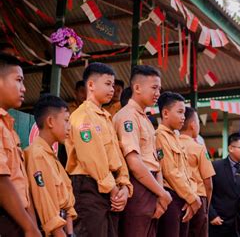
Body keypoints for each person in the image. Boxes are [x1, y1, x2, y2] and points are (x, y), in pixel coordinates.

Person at [65, 62, 132, 237]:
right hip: (89, 186)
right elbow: (92, 158)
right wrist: (113, 189)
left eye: (113, 84)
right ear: (91, 85)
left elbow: (118, 155)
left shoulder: (106, 118)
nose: (112, 89)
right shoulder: (81, 116)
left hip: (110, 188)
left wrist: (124, 185)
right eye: (108, 84)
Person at [112, 65, 172, 237]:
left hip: (152, 186)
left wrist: (161, 194)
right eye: (154, 88)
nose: (158, 93)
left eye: (159, 89)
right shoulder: (127, 116)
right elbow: (134, 163)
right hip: (138, 187)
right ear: (137, 88)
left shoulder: (146, 119)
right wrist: (162, 192)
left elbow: (156, 162)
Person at [0, 55, 41, 237]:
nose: (24, 88)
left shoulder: (10, 128)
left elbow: (21, 184)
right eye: (18, 80)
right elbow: (1, 180)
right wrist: (30, 227)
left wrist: (31, 224)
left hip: (18, 218)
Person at [25, 94, 77, 236]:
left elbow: (68, 205)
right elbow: (46, 207)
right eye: (66, 120)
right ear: (50, 121)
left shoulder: (52, 158)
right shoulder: (37, 155)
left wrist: (71, 233)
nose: (69, 127)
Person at [156, 92, 202, 237]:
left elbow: (188, 172)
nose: (183, 117)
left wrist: (192, 197)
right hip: (172, 199)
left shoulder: (175, 137)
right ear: (165, 113)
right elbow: (170, 172)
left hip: (184, 198)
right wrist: (192, 198)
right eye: (180, 112)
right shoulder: (159, 136)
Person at [179, 107, 215, 237]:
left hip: (178, 198)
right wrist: (206, 206)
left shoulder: (172, 145)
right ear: (193, 125)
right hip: (198, 198)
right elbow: (208, 183)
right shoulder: (198, 148)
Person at [209, 133, 240, 237]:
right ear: (231, 148)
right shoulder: (216, 166)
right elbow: (207, 191)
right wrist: (211, 215)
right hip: (219, 223)